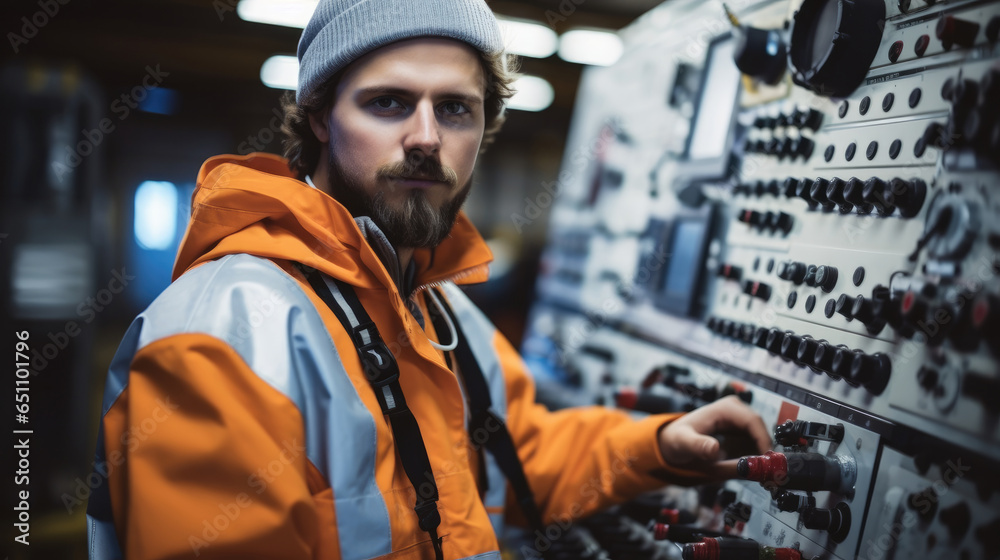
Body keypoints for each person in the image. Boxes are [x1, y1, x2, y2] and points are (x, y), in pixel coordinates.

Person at [85, 0, 771, 558]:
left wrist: (660, 444)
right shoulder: (224, 336)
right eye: (388, 103)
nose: (425, 137)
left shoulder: (443, 315)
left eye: (455, 109)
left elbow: (522, 454)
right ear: (321, 117)